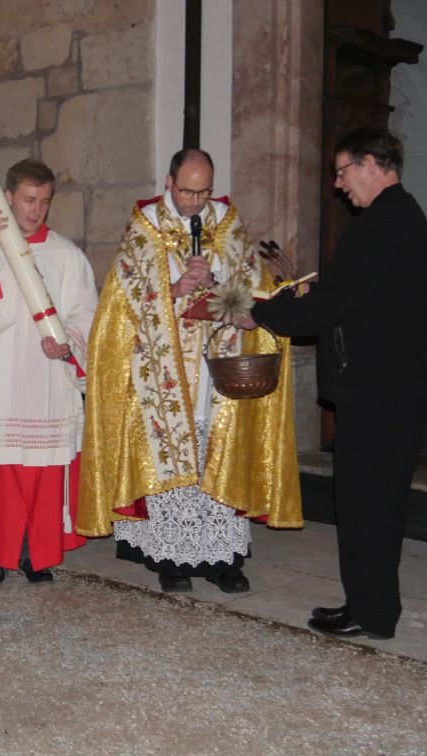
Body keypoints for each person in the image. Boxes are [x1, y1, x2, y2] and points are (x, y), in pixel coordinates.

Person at [77, 150, 301, 593]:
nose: (197, 201)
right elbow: (121, 301)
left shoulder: (228, 223)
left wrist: (218, 281)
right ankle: (172, 557)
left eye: (204, 191)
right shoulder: (144, 229)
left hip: (218, 369)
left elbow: (249, 288)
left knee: (217, 456)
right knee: (173, 456)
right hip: (164, 368)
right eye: (187, 191)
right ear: (170, 182)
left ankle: (224, 558)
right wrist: (175, 288)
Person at [247, 126, 427, 640]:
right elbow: (357, 293)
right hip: (386, 388)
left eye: (342, 170)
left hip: (380, 392)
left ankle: (372, 613)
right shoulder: (398, 218)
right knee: (367, 503)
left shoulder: (385, 223)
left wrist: (263, 312)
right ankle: (367, 604)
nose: (337, 184)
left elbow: (335, 306)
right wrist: (313, 290)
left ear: (372, 163)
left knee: (369, 505)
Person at [0, 159, 98, 584]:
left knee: (39, 471)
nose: (36, 211)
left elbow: (87, 315)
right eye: (29, 200)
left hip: (46, 381)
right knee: (2, 471)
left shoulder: (67, 256)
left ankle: (35, 553)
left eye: (45, 202)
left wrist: (68, 345)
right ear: (6, 197)